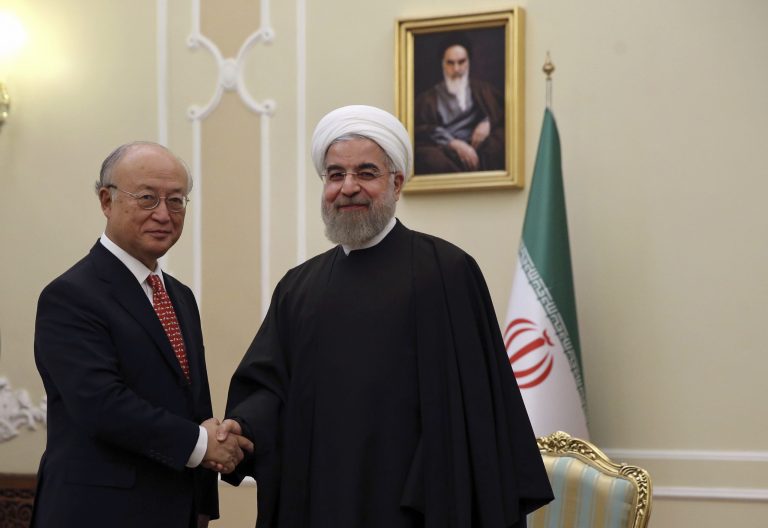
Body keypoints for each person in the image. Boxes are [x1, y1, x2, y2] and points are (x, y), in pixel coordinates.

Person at [219, 105, 553, 527]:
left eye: (366, 173)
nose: (349, 187)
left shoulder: (446, 272)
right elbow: (271, 386)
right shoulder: (298, 287)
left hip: (415, 502)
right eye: (335, 175)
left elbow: (476, 412)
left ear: (396, 183)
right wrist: (243, 428)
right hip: (319, 496)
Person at [32, 141, 253, 528]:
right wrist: (204, 447)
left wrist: (202, 506)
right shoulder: (70, 296)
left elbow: (194, 405)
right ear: (106, 200)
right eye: (148, 198)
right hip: (96, 513)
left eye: (177, 200)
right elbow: (102, 405)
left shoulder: (178, 296)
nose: (164, 215)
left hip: (175, 511)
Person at [414, 33, 506, 174]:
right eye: (450, 63)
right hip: (446, 151)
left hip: (480, 149)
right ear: (442, 64)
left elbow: (503, 114)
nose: (456, 69)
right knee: (429, 158)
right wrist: (454, 144)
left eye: (461, 62)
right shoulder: (428, 99)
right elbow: (422, 130)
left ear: (468, 62)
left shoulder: (484, 90)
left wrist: (488, 123)